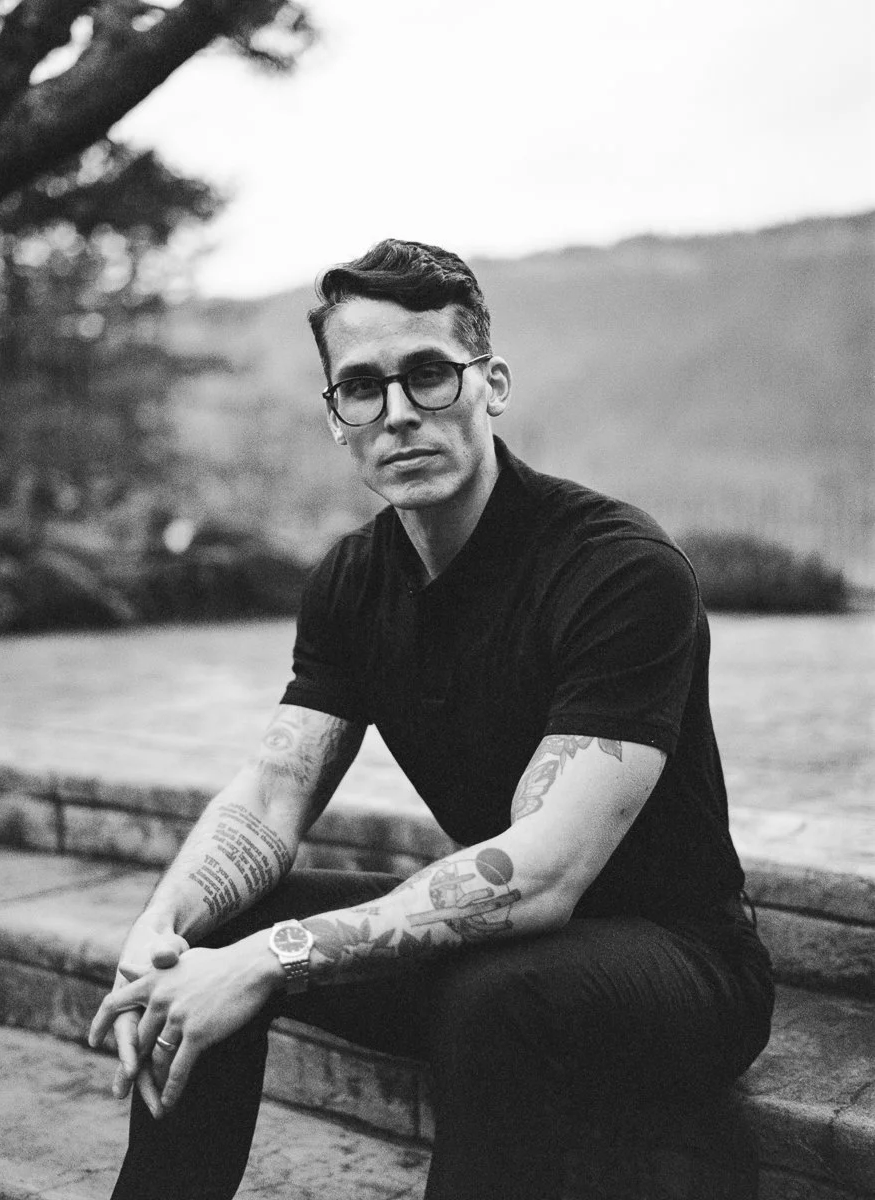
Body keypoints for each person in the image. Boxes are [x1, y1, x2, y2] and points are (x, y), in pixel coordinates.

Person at [89, 238, 774, 1200]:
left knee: (499, 995)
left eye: (428, 375)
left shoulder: (619, 569)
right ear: (337, 416)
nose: (399, 412)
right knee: (213, 934)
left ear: (490, 383)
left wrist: (274, 959)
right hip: (500, 961)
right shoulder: (351, 579)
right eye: (362, 387)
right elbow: (274, 792)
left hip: (681, 970)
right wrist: (161, 929)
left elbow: (541, 875)